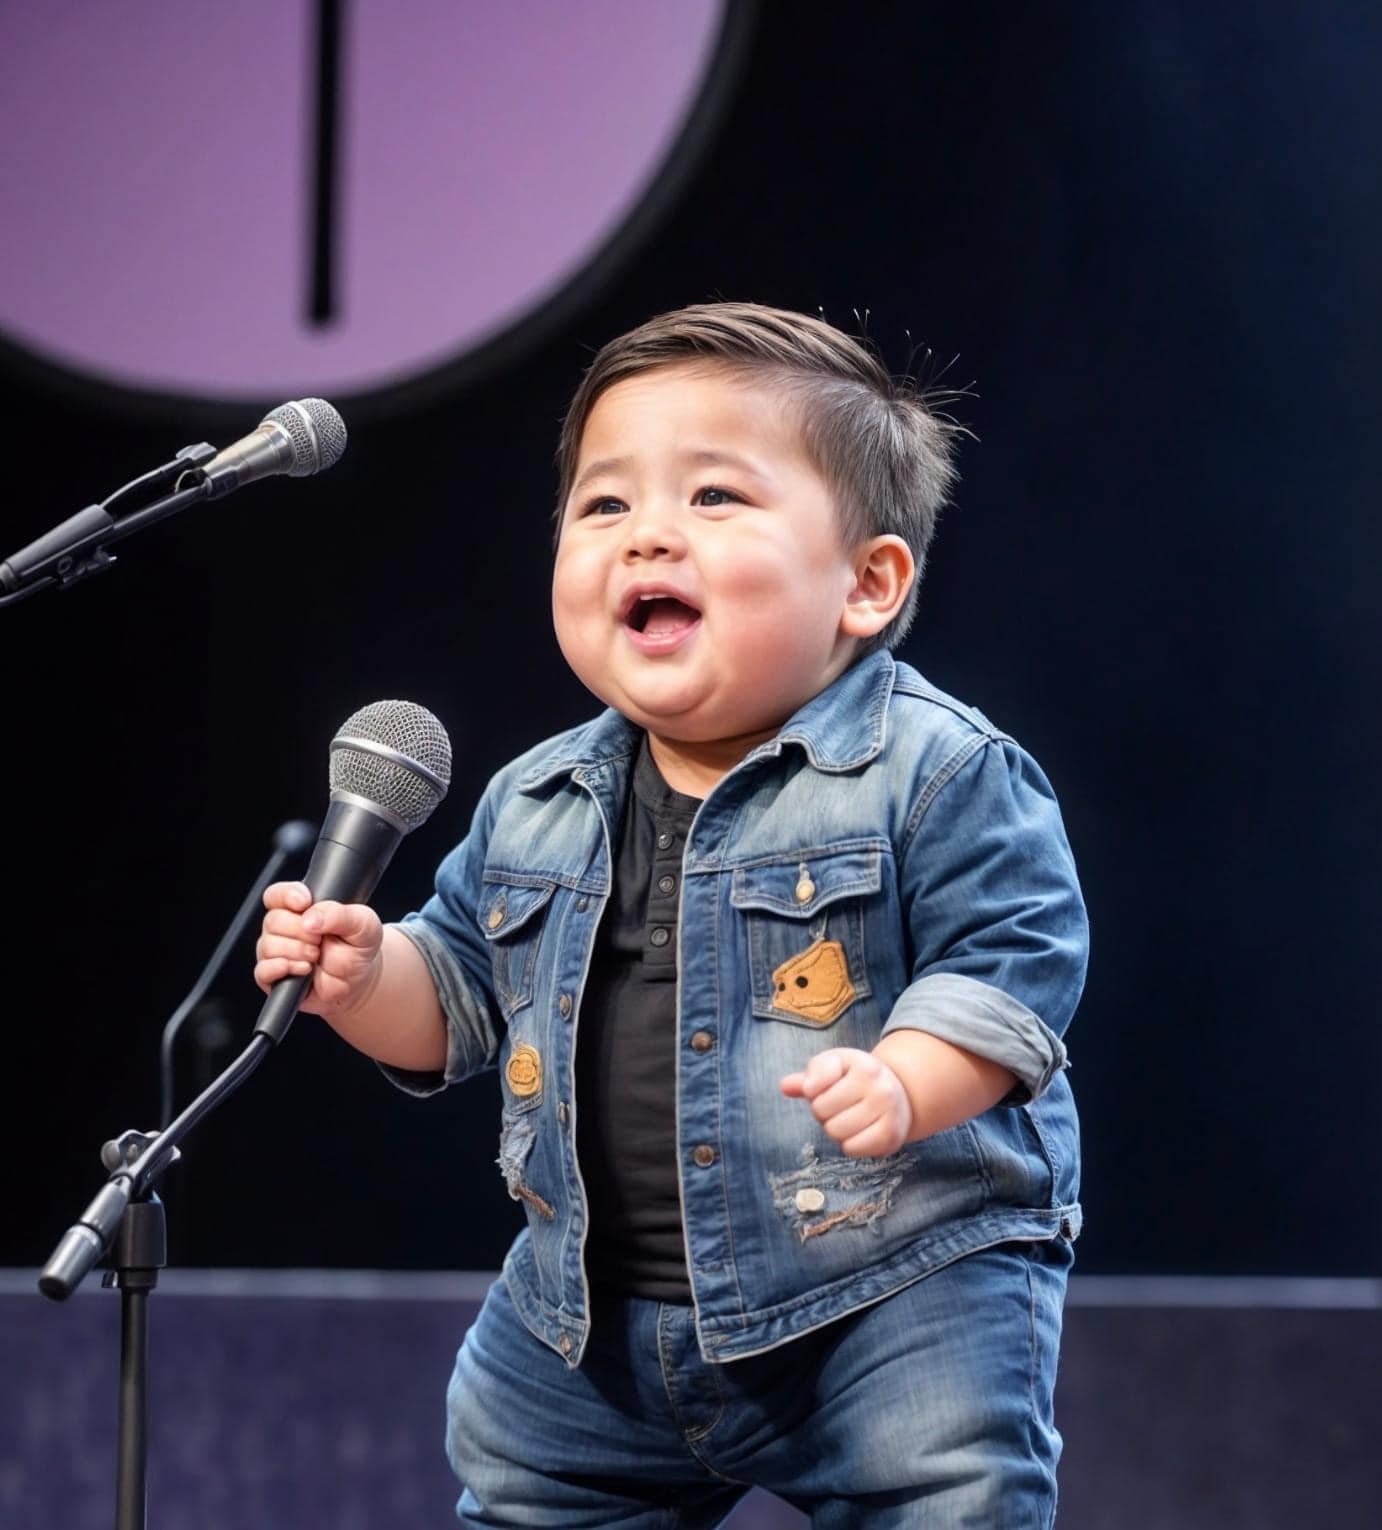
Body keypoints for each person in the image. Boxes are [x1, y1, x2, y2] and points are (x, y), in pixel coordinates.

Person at [254, 302, 1088, 1527]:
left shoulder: (937, 771)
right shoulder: (535, 798)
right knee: (521, 1497)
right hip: (584, 1320)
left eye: (714, 499)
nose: (647, 534)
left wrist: (909, 1077)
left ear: (865, 583)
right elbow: (460, 1002)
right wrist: (365, 977)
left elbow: (1010, 965)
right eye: (603, 505)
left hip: (891, 1294)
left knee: (948, 1497)